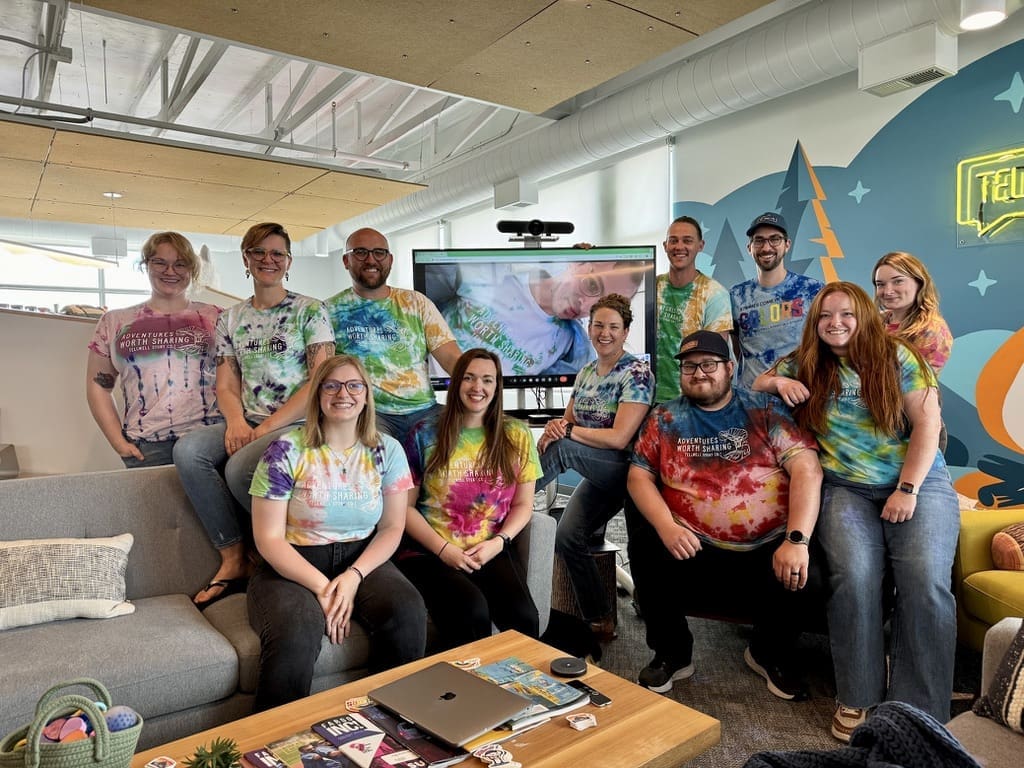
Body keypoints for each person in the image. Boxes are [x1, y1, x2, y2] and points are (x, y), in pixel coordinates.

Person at [753, 282, 959, 741]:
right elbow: (758, 381)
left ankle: (917, 710)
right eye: (826, 316)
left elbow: (928, 424)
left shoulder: (898, 356)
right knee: (856, 578)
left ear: (864, 314)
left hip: (917, 482)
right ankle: (858, 695)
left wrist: (906, 489)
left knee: (924, 581)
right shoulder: (808, 359)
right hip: (845, 487)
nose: (836, 323)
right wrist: (779, 381)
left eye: (846, 314)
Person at [627, 330, 822, 700]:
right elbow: (638, 476)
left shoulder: (763, 409)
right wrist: (667, 527)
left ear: (729, 368)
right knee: (644, 543)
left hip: (766, 547)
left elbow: (807, 469)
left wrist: (796, 540)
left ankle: (768, 652)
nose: (698, 373)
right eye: (689, 366)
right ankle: (672, 653)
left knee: (807, 571)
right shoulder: (665, 417)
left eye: (708, 364)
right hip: (693, 544)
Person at [246, 354, 426, 710]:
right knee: (296, 631)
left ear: (366, 394)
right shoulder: (286, 450)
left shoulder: (386, 451)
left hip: (364, 558)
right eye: (331, 385)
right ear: (318, 395)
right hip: (292, 564)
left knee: (408, 610)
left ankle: (392, 729)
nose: (343, 393)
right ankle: (272, 748)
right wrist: (324, 589)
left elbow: (392, 526)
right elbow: (268, 539)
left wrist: (354, 576)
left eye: (353, 385)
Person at [173, 222, 335, 609]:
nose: (268, 260)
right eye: (259, 252)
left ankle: (286, 550)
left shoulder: (311, 310)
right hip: (248, 419)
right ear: (246, 259)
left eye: (277, 253)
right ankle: (235, 558)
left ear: (288, 261)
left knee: (238, 469)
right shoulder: (230, 318)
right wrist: (235, 422)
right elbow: (226, 384)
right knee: (189, 452)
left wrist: (263, 428)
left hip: (297, 424)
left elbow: (319, 380)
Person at [397, 348, 541, 648]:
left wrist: (498, 543)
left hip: (489, 548)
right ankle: (470, 692)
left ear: (497, 386)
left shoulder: (517, 435)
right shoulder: (424, 434)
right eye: (469, 378)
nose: (478, 388)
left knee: (524, 618)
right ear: (456, 383)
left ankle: (519, 691)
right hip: (429, 552)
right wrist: (444, 550)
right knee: (472, 612)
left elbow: (523, 505)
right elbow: (405, 510)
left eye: (487, 380)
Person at [535, 293, 653, 640]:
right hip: (596, 470)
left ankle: (504, 502)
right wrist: (555, 426)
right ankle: (599, 616)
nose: (605, 332)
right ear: (589, 327)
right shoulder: (587, 371)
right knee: (567, 537)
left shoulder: (637, 372)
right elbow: (569, 419)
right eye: (598, 325)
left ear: (625, 330)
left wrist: (567, 433)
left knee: (563, 449)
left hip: (626, 470)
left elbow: (619, 439)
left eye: (613, 327)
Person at [86, 231, 221, 467]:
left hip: (208, 442)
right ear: (145, 265)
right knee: (154, 506)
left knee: (212, 506)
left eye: (181, 264)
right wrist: (118, 442)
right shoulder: (116, 322)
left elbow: (238, 379)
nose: (170, 272)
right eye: (160, 262)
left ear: (192, 270)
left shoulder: (217, 317)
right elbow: (98, 386)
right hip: (147, 446)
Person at [326, 228, 461, 445]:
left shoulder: (416, 303)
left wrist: (479, 394)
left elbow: (453, 359)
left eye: (379, 252)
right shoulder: (329, 311)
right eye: (360, 252)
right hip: (368, 415)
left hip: (424, 411)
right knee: (378, 453)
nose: (371, 259)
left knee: (463, 449)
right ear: (346, 260)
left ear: (390, 260)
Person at [427, 259, 645, 376]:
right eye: (592, 285)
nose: (585, 306)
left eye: (599, 305)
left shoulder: (570, 344)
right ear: (576, 264)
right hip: (435, 394)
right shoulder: (493, 272)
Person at [730, 212, 823, 388]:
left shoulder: (813, 290)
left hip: (800, 399)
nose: (766, 247)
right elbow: (738, 347)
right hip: (752, 402)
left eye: (775, 239)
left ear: (787, 245)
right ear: (749, 248)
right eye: (759, 240)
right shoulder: (736, 296)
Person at [654, 216, 732, 403]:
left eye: (687, 241)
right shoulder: (652, 286)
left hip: (691, 401)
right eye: (673, 241)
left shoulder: (714, 294)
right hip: (647, 398)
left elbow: (714, 359)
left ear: (700, 245)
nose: (679, 246)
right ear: (665, 246)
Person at [872, 251, 953, 375]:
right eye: (880, 284)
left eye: (898, 281)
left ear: (919, 283)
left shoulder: (931, 330)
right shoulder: (875, 321)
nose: (887, 291)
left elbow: (916, 383)